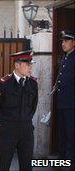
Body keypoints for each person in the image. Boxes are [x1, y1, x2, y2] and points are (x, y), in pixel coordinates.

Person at [0, 50, 38, 171]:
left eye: (31, 64)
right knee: (3, 164)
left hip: (26, 130)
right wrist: (6, 123)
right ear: (17, 65)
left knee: (27, 165)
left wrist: (25, 119)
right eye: (27, 64)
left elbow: (33, 106)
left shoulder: (33, 83)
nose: (30, 67)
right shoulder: (3, 84)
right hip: (9, 130)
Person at [56, 30, 75, 170]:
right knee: (62, 131)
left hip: (71, 102)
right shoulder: (66, 57)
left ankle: (69, 160)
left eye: (66, 41)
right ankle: (62, 157)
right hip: (63, 101)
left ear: (73, 42)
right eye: (62, 41)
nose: (63, 43)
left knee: (70, 132)